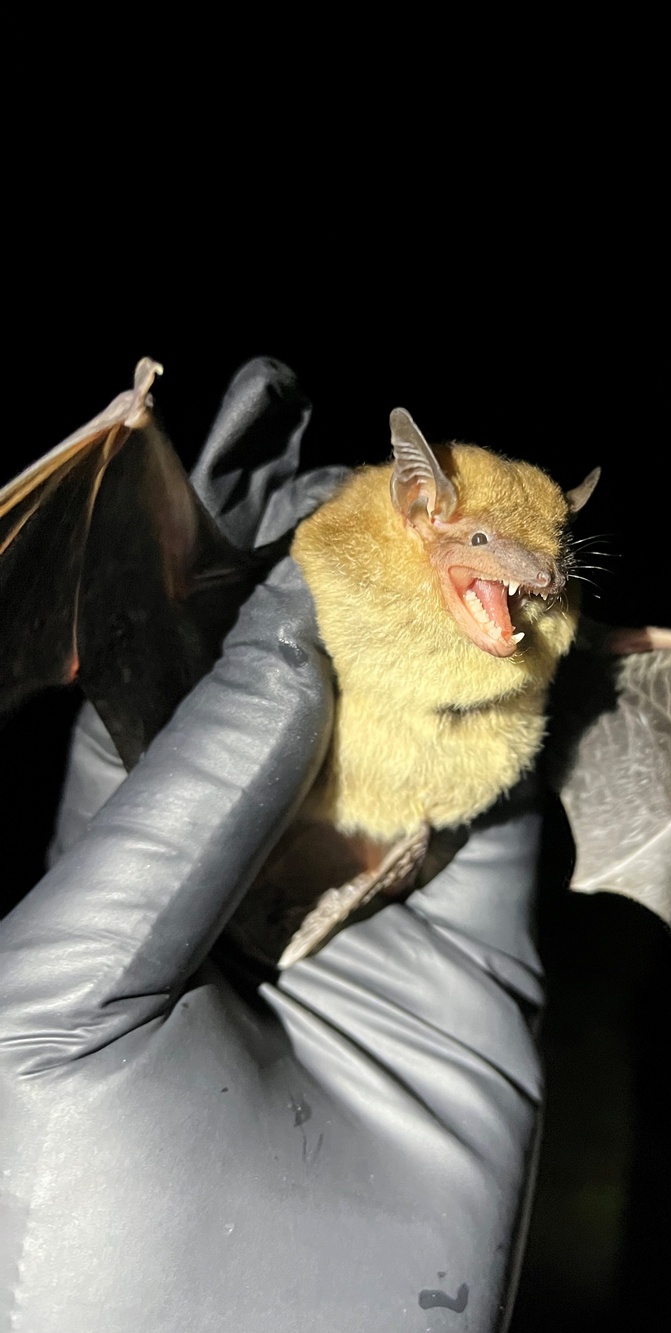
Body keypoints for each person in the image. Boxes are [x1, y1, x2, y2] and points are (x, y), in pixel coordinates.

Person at [0, 361, 544, 1332]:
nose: (528, 574)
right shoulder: (351, 554)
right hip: (302, 851)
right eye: (480, 540)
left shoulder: (525, 627)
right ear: (421, 506)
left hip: (383, 863)